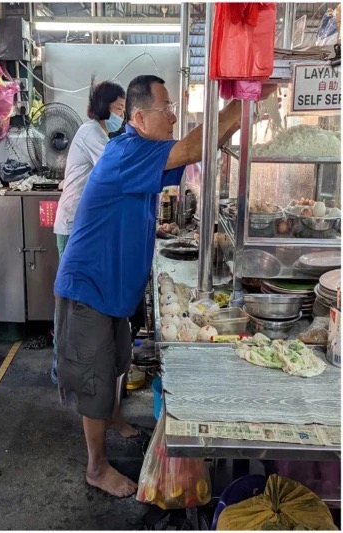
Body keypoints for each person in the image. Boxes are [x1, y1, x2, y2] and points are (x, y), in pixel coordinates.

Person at [54, 74, 273, 498]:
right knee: (95, 377)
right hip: (89, 286)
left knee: (117, 360)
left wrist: (241, 112)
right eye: (167, 107)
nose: (173, 115)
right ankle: (96, 467)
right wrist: (245, 99)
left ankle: (115, 417)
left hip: (115, 288)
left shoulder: (141, 151)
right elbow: (193, 146)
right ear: (139, 116)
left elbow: (193, 151)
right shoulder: (126, 152)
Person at [50, 81, 126, 385]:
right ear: (105, 106)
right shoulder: (91, 132)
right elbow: (116, 171)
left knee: (78, 297)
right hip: (71, 226)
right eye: (119, 108)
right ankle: (60, 364)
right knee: (69, 297)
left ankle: (74, 362)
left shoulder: (101, 133)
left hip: (82, 225)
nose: (122, 113)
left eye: (123, 108)